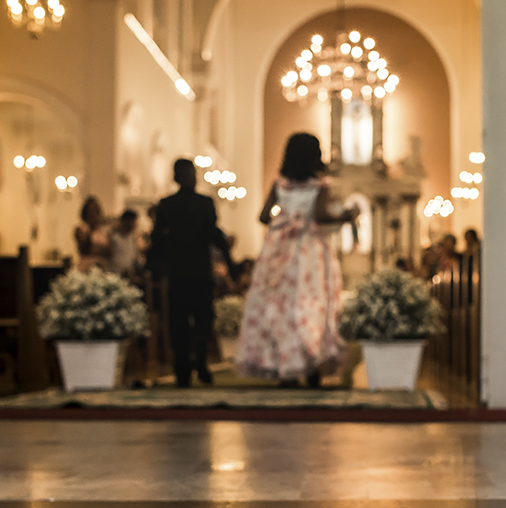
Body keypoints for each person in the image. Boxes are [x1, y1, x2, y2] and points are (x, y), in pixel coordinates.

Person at [235, 132, 358, 388]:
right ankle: (310, 363)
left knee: (279, 306)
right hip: (308, 251)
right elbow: (322, 215)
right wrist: (347, 215)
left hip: (279, 250)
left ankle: (284, 365)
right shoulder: (320, 186)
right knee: (310, 304)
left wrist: (285, 220)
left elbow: (263, 216)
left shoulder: (279, 184)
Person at [146, 158, 234, 387]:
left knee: (180, 322)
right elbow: (214, 235)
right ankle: (196, 358)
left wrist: (154, 265)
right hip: (197, 271)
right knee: (201, 319)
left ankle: (183, 367)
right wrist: (230, 262)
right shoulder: (204, 203)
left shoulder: (167, 205)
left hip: (178, 272)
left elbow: (157, 240)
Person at [73, 196, 111, 272]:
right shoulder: (81, 229)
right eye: (91, 211)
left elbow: (109, 251)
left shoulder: (103, 231)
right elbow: (84, 249)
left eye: (95, 211)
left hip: (101, 267)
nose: (93, 214)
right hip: (86, 267)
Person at [108, 209, 143, 278]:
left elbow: (134, 258)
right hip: (114, 275)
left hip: (128, 276)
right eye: (131, 221)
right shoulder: (114, 238)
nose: (133, 224)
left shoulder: (133, 240)